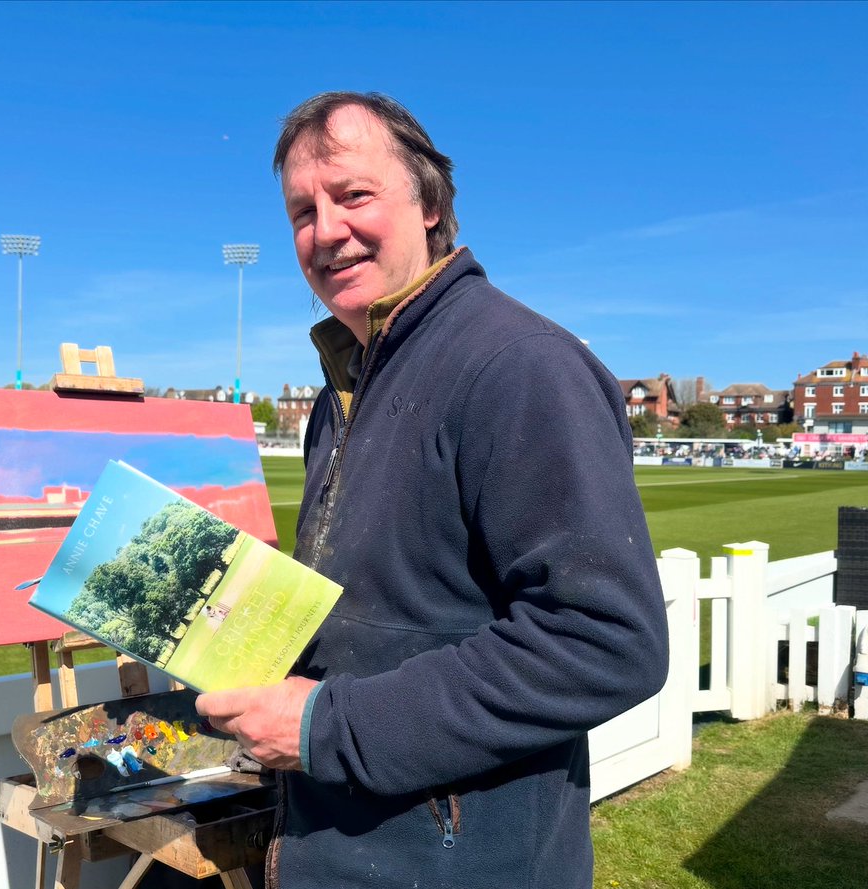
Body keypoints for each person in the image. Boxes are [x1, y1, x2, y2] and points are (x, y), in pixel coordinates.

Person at [195, 92, 669, 889]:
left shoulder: (519, 364)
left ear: (432, 205)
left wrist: (324, 725)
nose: (326, 231)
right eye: (302, 211)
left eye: (353, 195)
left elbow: (606, 639)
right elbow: (393, 609)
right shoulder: (339, 390)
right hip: (340, 847)